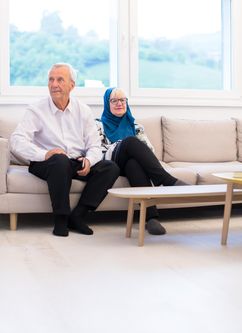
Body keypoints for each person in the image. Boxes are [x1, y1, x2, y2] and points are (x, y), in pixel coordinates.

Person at [10, 63, 120, 237]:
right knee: (60, 160)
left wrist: (89, 161)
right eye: (51, 80)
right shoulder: (37, 109)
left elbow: (95, 145)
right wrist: (44, 154)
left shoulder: (83, 110)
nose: (54, 84)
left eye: (60, 80)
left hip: (74, 162)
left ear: (72, 85)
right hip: (46, 162)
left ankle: (77, 216)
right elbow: (16, 140)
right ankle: (61, 218)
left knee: (110, 167)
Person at [96, 87, 187, 236]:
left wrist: (132, 149)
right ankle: (166, 179)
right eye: (114, 100)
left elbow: (149, 152)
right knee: (130, 141)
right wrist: (123, 144)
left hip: (128, 165)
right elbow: (98, 151)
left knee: (134, 164)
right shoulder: (99, 125)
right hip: (111, 163)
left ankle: (151, 218)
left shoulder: (136, 127)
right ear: (107, 103)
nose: (119, 103)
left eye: (122, 100)